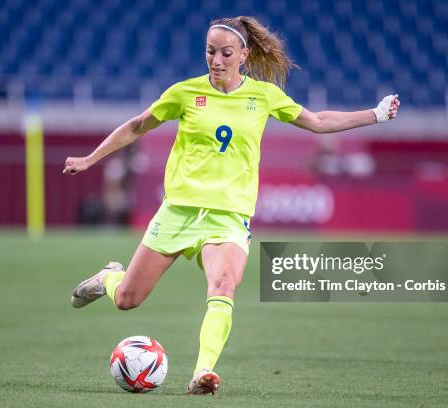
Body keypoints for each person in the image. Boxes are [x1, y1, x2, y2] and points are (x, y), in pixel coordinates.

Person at [63, 16, 400, 395]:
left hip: (228, 217)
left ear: (244, 54)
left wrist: (376, 114)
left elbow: (318, 121)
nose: (217, 60)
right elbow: (138, 126)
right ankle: (110, 276)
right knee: (128, 299)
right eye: (210, 51)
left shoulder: (263, 96)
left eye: (226, 53)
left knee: (223, 286)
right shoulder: (185, 93)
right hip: (178, 212)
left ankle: (202, 372)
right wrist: (91, 159)